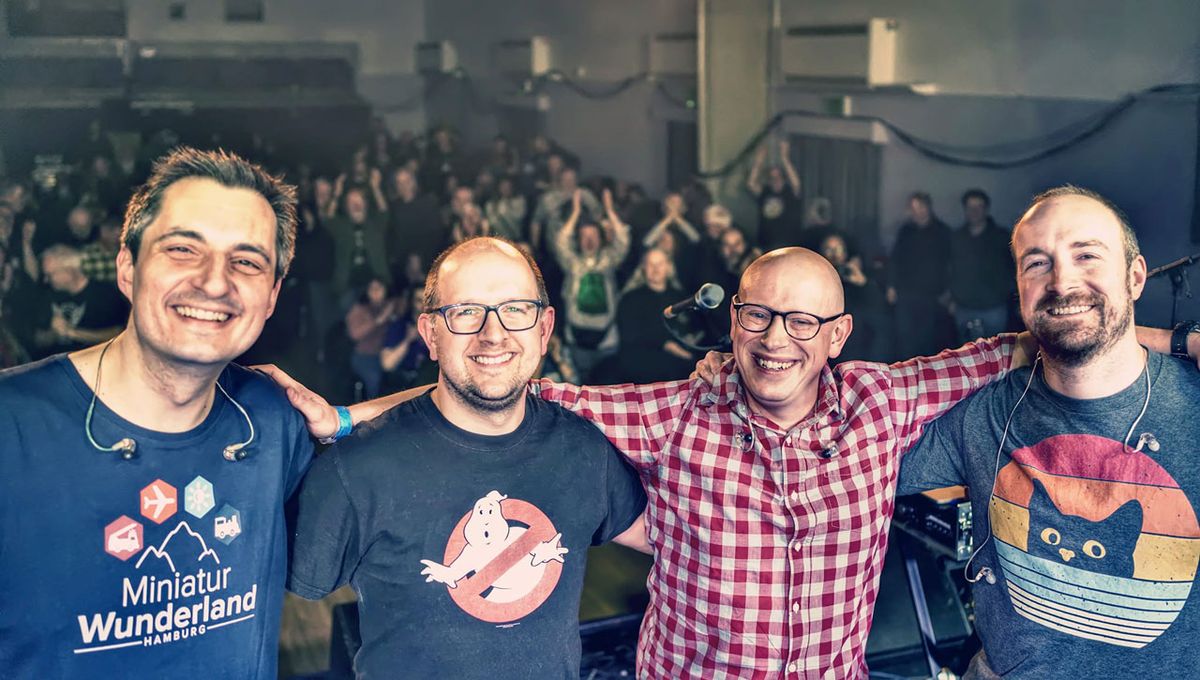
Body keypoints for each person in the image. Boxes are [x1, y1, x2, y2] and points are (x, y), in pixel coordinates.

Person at [273, 245, 1022, 678]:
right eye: (757, 315)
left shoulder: (881, 404)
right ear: (733, 321)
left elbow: (1006, 353)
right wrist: (346, 416)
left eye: (803, 321)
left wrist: (1132, 344)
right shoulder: (674, 414)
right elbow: (495, 383)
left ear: (839, 334)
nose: (775, 338)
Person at [0, 147, 313, 678]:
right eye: (183, 249)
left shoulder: (272, 419)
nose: (215, 282)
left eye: (247, 261)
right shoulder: (12, 425)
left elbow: (449, 419)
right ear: (128, 266)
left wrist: (345, 421)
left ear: (273, 295)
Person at [285, 236, 648, 679]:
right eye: (466, 312)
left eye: (515, 309)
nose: (493, 334)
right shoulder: (356, 468)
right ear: (430, 335)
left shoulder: (585, 449)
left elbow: (672, 540)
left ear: (544, 328)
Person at [897, 186, 1200, 678]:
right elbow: (840, 447)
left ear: (1136, 276)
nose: (1062, 282)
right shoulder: (983, 413)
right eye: (1037, 263)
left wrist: (1179, 341)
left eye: (1087, 255)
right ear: (1019, 286)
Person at [888, 191, 953, 359]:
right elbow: (895, 259)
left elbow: (952, 264)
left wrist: (949, 292)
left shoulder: (943, 232)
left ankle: (925, 380)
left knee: (928, 341)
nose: (917, 212)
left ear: (928, 207)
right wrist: (891, 286)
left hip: (932, 296)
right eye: (913, 208)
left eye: (920, 207)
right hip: (906, 294)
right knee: (905, 340)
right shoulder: (906, 231)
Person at [614, 248, 694, 383]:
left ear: (668, 267)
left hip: (678, 373)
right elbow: (629, 335)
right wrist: (665, 344)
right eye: (651, 264)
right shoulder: (630, 299)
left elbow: (689, 327)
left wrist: (689, 340)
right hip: (642, 371)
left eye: (660, 264)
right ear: (644, 268)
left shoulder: (680, 298)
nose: (655, 269)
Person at [948, 188, 1016, 342]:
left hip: (994, 308)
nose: (974, 211)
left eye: (979, 206)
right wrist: (951, 297)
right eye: (970, 207)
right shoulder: (956, 238)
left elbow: (1013, 268)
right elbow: (950, 268)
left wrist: (1007, 294)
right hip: (963, 307)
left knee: (994, 355)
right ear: (965, 209)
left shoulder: (1002, 237)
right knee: (965, 356)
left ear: (986, 209)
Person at [747, 139, 803, 251]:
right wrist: (759, 161)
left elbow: (796, 183)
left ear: (783, 177)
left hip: (788, 245)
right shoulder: (765, 192)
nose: (775, 180)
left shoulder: (789, 192)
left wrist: (785, 158)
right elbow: (751, 184)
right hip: (766, 244)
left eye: (778, 176)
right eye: (772, 177)